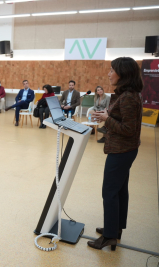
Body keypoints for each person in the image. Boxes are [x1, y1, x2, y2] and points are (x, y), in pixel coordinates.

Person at [88, 57, 143, 251]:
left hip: (122, 150)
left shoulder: (128, 96)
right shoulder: (125, 94)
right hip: (124, 149)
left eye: (112, 70)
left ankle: (109, 236)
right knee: (119, 190)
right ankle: (115, 228)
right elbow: (120, 119)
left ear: (123, 73)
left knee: (109, 192)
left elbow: (128, 128)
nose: (109, 73)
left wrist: (106, 119)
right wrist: (106, 115)